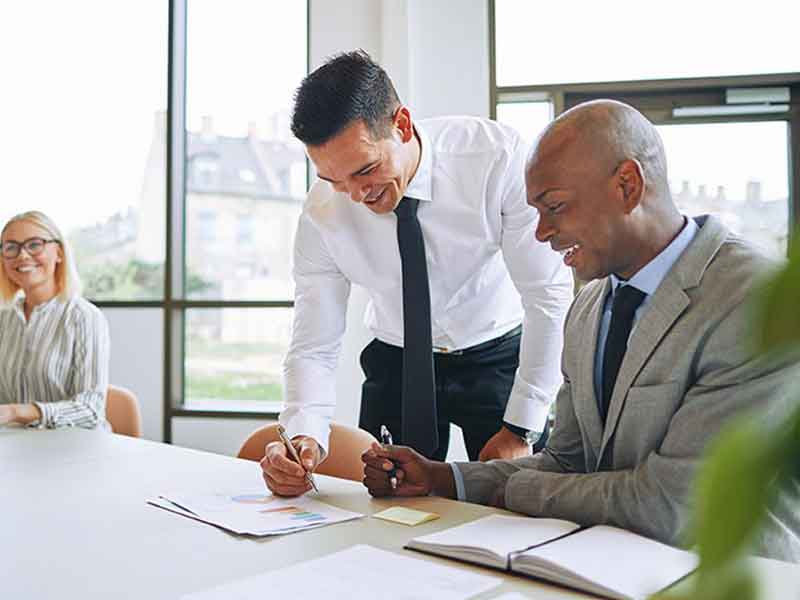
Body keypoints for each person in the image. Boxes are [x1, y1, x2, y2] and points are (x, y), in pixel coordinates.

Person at [362, 100, 800, 562]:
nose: (541, 233)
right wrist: (442, 478)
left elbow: (675, 505)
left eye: (555, 208)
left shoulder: (756, 300)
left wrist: (514, 492)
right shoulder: (589, 307)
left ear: (627, 186)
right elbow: (568, 464)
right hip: (612, 567)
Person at [260, 50, 573, 497]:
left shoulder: (494, 159)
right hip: (398, 359)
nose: (356, 194)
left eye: (366, 170)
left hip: (496, 354)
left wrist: (522, 427)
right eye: (334, 180)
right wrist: (303, 436)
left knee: (515, 499)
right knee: (391, 503)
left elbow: (548, 296)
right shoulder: (323, 212)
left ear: (402, 126)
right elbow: (314, 341)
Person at [0, 211, 111, 430]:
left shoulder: (83, 317)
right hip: (16, 448)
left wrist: (17, 412)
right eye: (11, 247)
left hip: (74, 450)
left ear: (59, 252)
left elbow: (91, 411)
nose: (22, 256)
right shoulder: (5, 319)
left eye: (34, 244)